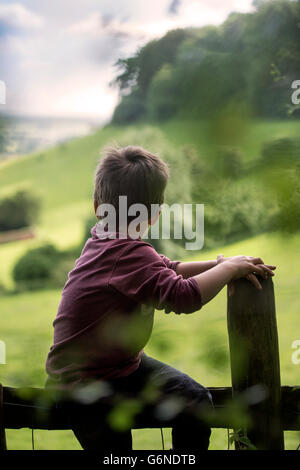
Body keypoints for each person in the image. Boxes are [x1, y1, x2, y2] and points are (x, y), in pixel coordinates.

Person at [44, 145, 276, 451]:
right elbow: (183, 296)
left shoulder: (109, 242)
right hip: (82, 384)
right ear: (154, 214)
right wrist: (229, 268)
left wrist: (223, 265)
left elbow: (170, 268)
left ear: (98, 205)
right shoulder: (124, 251)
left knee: (194, 400)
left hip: (120, 368)